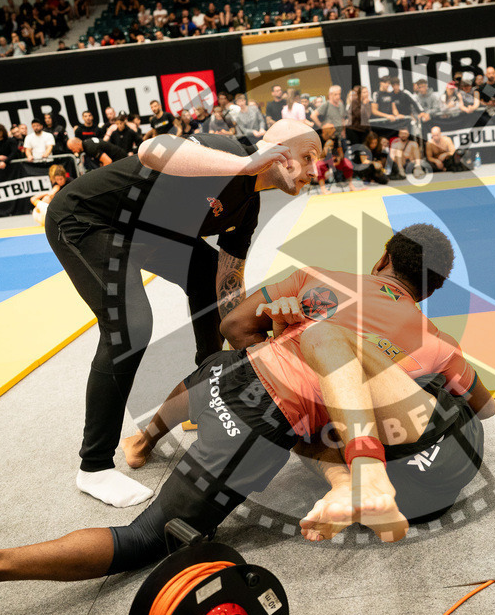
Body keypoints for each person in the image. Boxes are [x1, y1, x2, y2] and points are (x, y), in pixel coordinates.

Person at [0, 225, 493, 615]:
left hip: (229, 379)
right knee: (144, 539)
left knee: (222, 367)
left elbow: (231, 326)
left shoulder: (318, 274)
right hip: (256, 426)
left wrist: (284, 340)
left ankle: (144, 438)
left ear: (380, 259)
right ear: (433, 289)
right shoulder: (437, 343)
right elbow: (483, 408)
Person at [44, 121, 319, 507]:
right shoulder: (227, 152)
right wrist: (245, 164)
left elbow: (229, 286)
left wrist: (250, 340)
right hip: (88, 220)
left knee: (207, 276)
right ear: (278, 149)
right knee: (131, 327)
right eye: (307, 157)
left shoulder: (248, 207)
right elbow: (152, 149)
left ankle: (207, 385)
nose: (314, 171)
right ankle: (94, 467)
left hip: (146, 233)